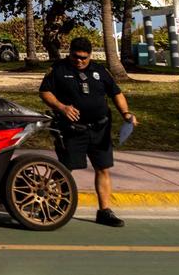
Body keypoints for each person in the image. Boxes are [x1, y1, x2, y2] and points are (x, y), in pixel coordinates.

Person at [39, 36, 137, 228]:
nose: (80, 61)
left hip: (100, 129)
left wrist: (126, 114)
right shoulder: (59, 69)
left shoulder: (100, 71)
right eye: (76, 56)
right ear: (70, 53)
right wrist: (62, 107)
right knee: (65, 170)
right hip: (73, 130)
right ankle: (55, 206)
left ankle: (105, 211)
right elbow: (44, 92)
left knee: (103, 168)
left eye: (84, 57)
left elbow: (116, 93)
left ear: (90, 56)